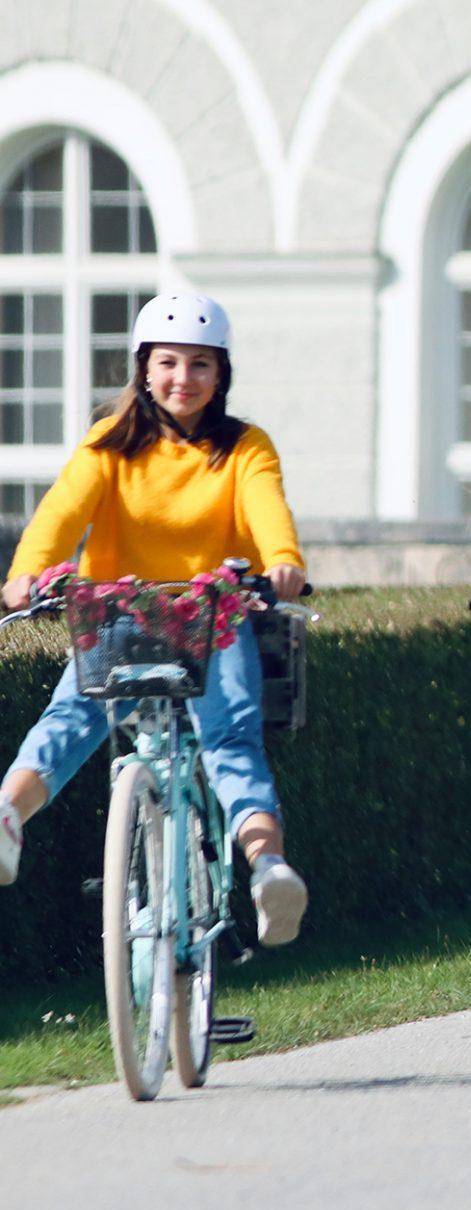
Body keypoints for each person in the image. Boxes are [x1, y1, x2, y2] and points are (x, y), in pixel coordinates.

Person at [0, 293, 311, 943]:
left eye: (201, 364)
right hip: (120, 612)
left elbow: (266, 509)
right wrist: (27, 573)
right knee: (72, 715)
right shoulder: (109, 442)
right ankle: (7, 820)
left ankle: (269, 871)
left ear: (221, 374)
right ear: (142, 368)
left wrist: (282, 560)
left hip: (215, 616)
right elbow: (62, 512)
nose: (184, 379)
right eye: (169, 362)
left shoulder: (245, 447)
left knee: (229, 740)